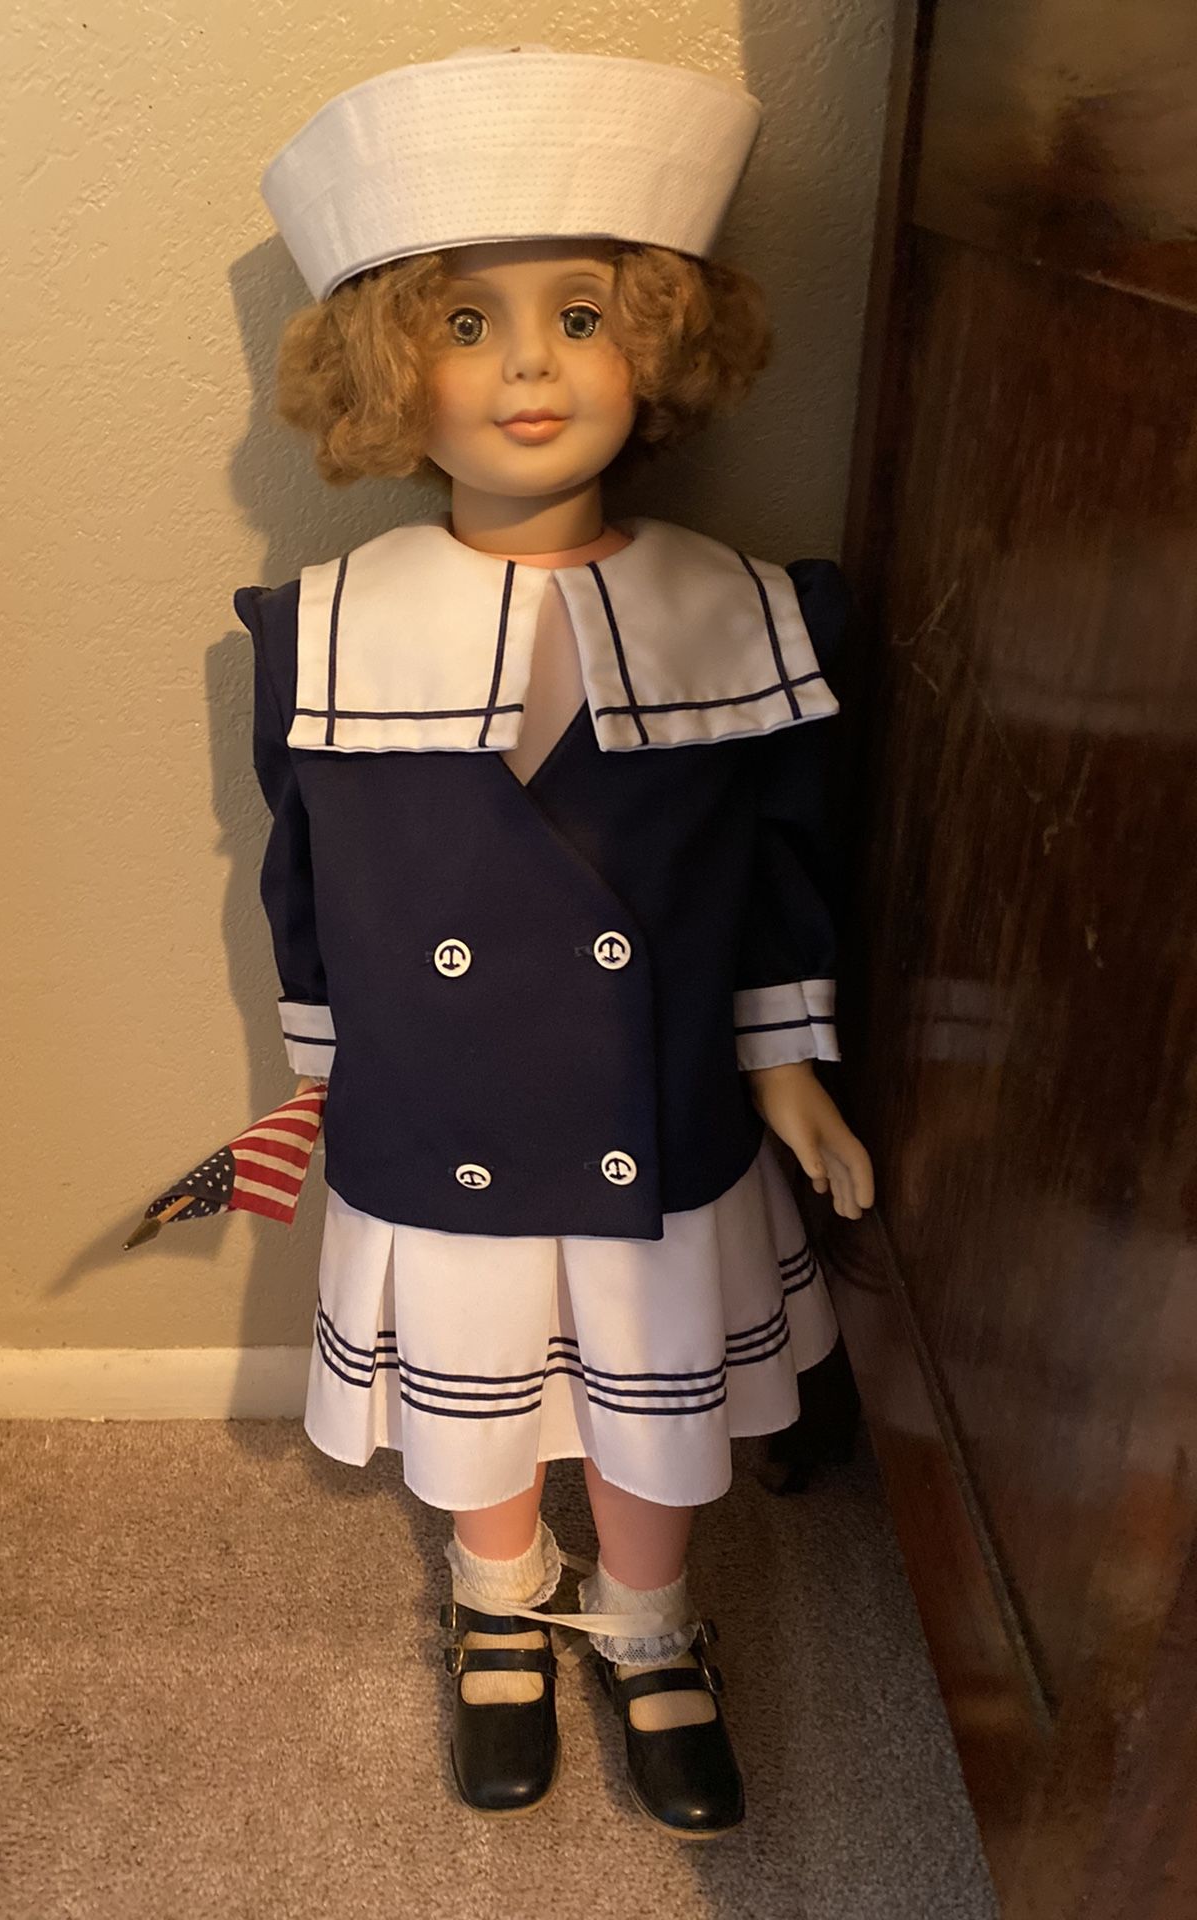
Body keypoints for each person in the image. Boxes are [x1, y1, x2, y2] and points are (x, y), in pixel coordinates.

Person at [232, 45, 875, 1838]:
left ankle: (652, 1620)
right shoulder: (323, 632)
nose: (529, 367)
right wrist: (323, 1078)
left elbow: (777, 867)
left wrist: (790, 1066)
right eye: (468, 323)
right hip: (434, 1104)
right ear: (389, 367)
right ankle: (498, 1594)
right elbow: (304, 885)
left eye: (580, 315)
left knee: (657, 1393)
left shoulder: (741, 612)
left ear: (657, 342)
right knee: (480, 1392)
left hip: (658, 1101)